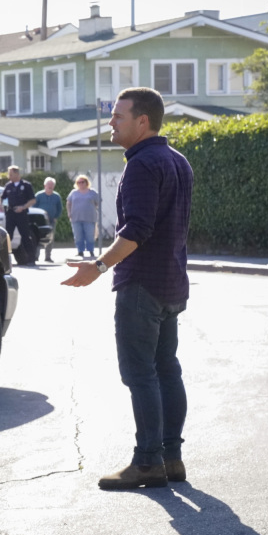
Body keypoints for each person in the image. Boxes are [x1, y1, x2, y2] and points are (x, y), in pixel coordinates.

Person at [62, 87, 193, 490]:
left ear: (143, 121)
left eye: (119, 116)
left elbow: (137, 229)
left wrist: (98, 266)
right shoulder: (178, 161)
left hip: (142, 286)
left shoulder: (142, 164)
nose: (111, 122)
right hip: (171, 283)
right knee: (166, 369)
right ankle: (171, 458)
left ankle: (148, 463)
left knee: (141, 374)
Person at [0, 166, 37, 266]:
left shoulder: (26, 185)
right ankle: (4, 259)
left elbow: (33, 200)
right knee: (8, 236)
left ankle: (31, 259)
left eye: (11, 174)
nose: (9, 176)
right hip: (10, 214)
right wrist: (0, 203)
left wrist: (23, 207)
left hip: (21, 214)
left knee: (25, 236)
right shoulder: (8, 186)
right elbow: (2, 197)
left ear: (17, 174)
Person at [67, 174, 101, 258]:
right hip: (76, 218)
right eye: (78, 182)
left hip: (89, 218)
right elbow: (68, 203)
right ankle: (80, 251)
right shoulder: (73, 192)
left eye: (82, 182)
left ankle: (91, 250)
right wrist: (69, 213)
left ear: (86, 182)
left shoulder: (92, 192)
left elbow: (98, 202)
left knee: (90, 236)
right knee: (78, 236)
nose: (81, 184)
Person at [33, 177, 63, 263]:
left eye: (52, 185)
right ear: (44, 185)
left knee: (50, 239)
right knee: (38, 238)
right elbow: (33, 207)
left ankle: (48, 257)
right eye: (48, 184)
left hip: (51, 221)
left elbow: (60, 209)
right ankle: (36, 256)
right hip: (40, 221)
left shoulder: (57, 196)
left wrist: (56, 217)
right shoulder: (39, 195)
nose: (50, 186)